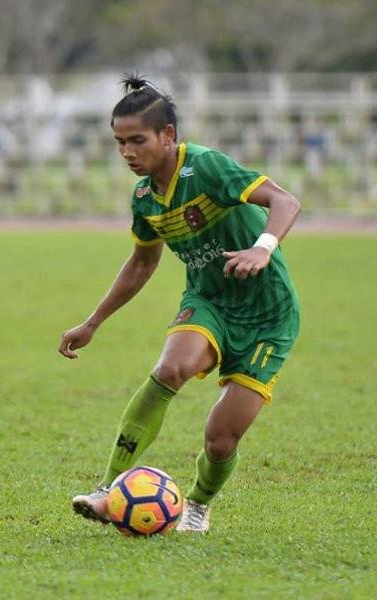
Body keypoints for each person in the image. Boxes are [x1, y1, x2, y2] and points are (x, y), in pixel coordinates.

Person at [59, 75, 300, 532]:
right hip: (208, 300)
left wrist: (262, 248)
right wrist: (93, 323)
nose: (128, 152)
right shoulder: (145, 197)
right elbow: (140, 264)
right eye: (119, 143)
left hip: (268, 314)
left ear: (168, 136)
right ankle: (106, 490)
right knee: (170, 370)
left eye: (137, 140)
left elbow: (285, 201)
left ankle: (198, 505)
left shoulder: (206, 167)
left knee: (220, 439)